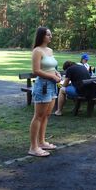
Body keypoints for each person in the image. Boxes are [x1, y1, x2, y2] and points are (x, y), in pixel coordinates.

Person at [29, 27, 61, 157]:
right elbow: (36, 71)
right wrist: (52, 76)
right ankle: (33, 147)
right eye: (48, 35)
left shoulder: (50, 50)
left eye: (51, 35)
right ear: (42, 36)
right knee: (38, 116)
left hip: (52, 85)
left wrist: (56, 73)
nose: (50, 37)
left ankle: (41, 142)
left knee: (46, 115)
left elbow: (51, 66)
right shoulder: (37, 51)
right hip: (43, 85)